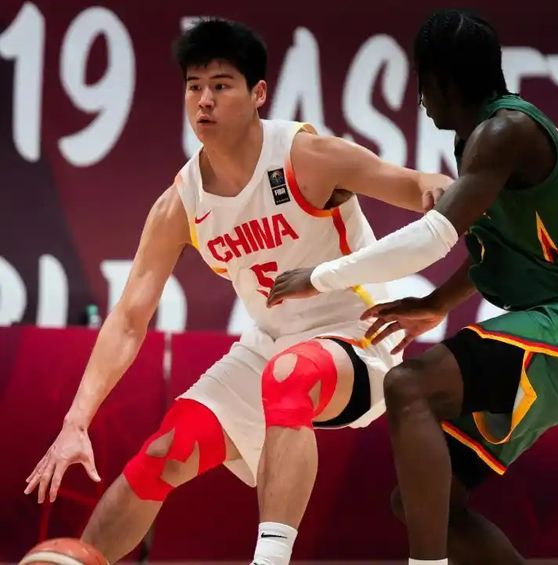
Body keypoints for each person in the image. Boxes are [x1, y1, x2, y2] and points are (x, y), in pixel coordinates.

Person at [24, 17, 452, 565]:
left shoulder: (305, 157)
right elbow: (130, 318)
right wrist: (75, 422)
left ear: (258, 94)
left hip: (360, 338)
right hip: (271, 344)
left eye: (221, 85)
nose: (204, 100)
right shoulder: (181, 202)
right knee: (164, 451)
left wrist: (439, 189)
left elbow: (414, 185)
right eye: (194, 86)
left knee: (291, 375)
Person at [267, 9, 558, 565]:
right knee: (426, 506)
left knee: (410, 386)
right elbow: (496, 249)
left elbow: (431, 239)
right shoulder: (481, 138)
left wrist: (318, 277)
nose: (419, 98)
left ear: (440, 81)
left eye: (421, 81)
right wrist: (435, 304)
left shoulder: (504, 131)